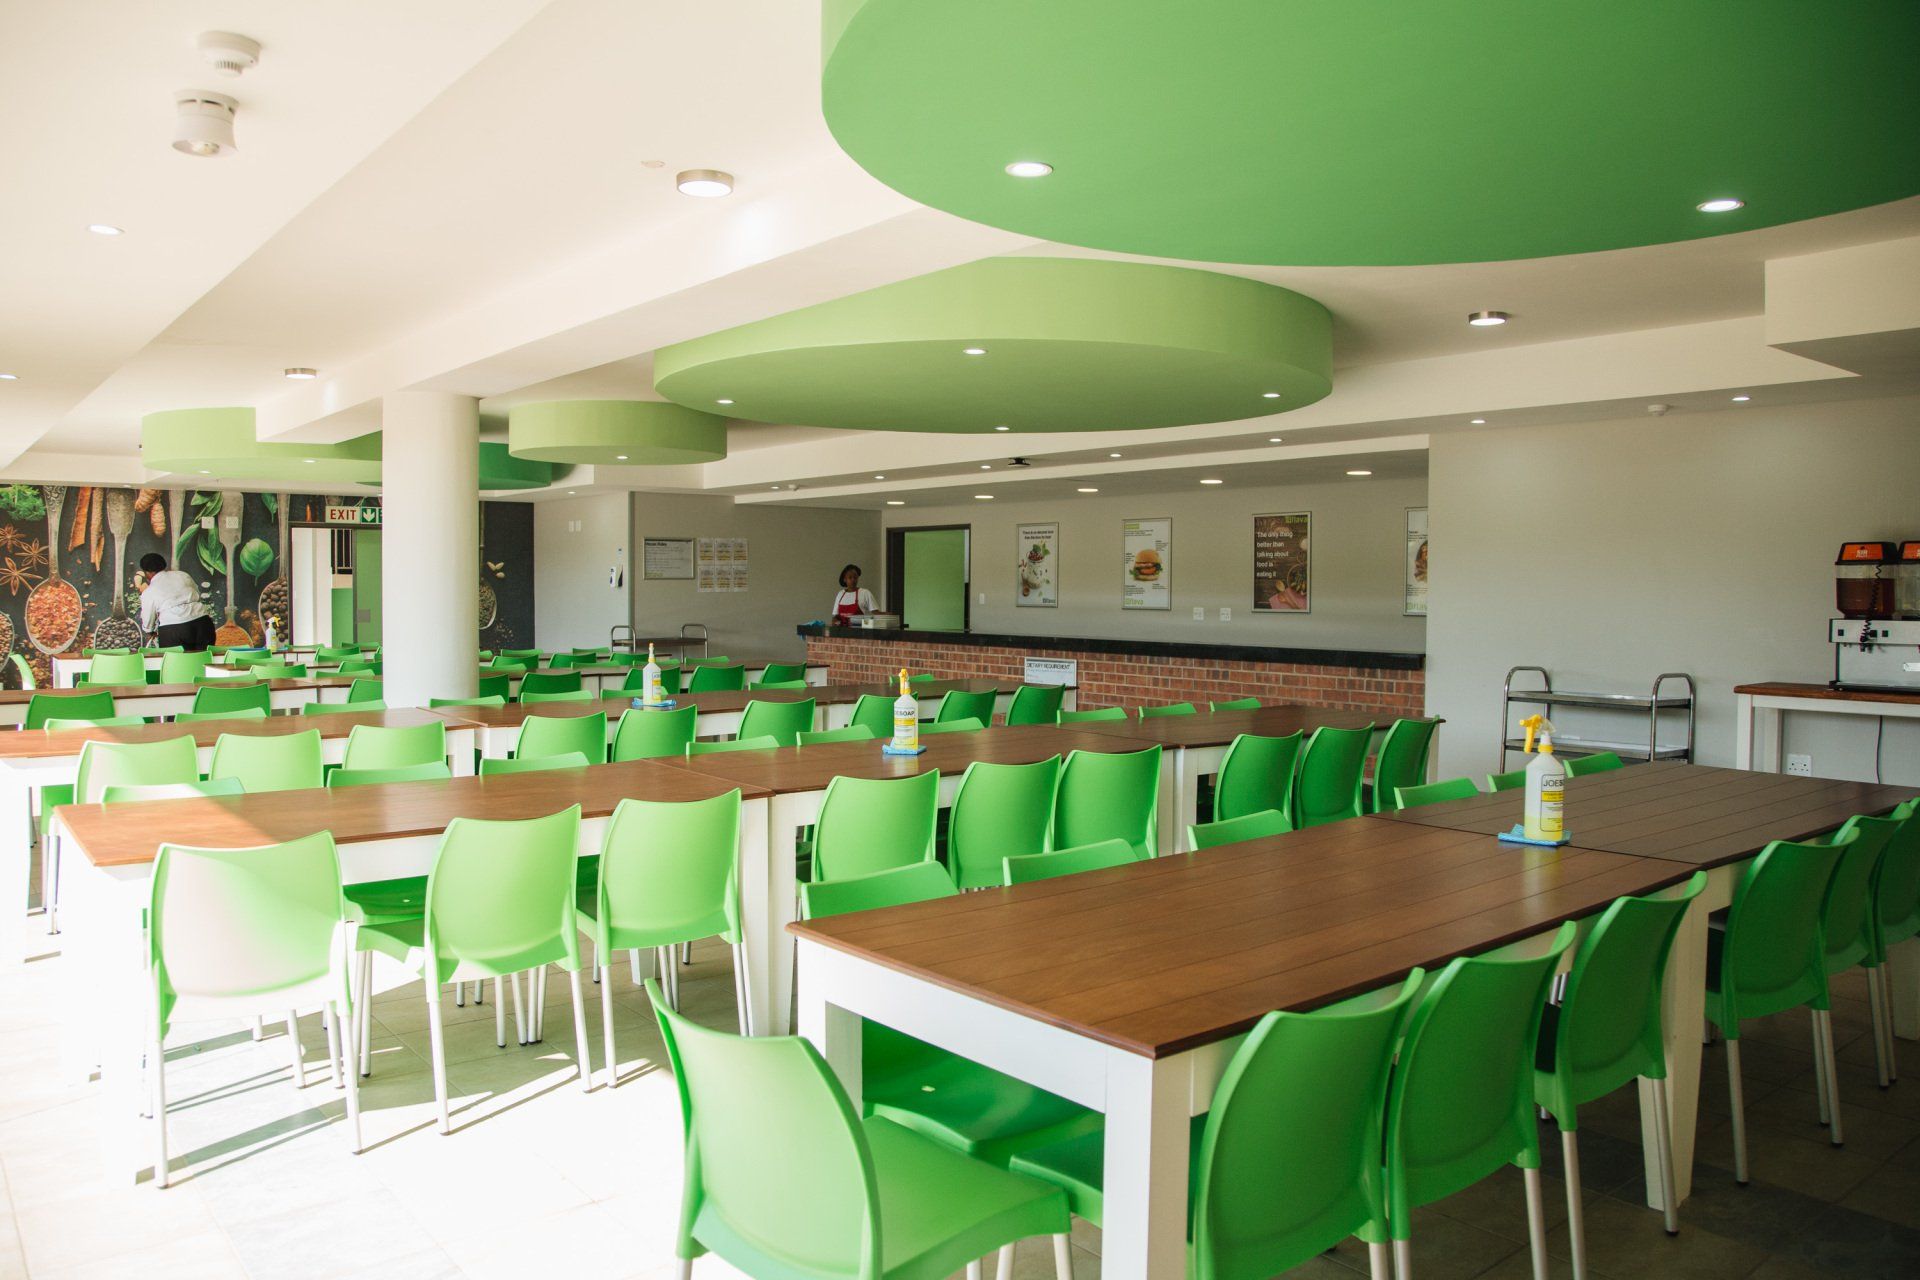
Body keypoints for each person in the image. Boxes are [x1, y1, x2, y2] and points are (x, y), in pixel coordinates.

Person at [137, 553, 216, 651]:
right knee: (204, 660)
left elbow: (148, 621)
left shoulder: (149, 592)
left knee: (176, 663)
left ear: (147, 572)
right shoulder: (183, 575)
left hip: (173, 628)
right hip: (202, 622)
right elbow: (197, 594)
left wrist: (150, 631)